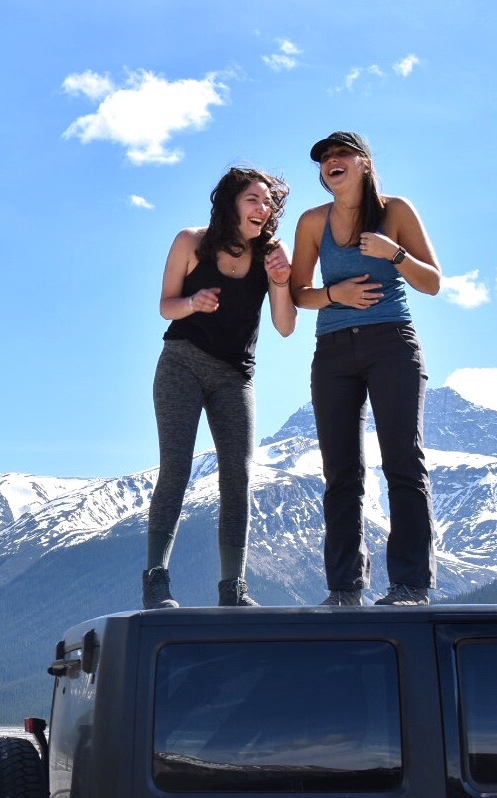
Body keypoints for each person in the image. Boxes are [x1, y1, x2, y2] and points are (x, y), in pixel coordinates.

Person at [289, 131, 441, 606]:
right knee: (341, 471)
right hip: (332, 351)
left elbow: (432, 282)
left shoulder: (396, 211)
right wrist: (337, 295)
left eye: (341, 155)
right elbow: (299, 292)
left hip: (391, 343)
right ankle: (344, 589)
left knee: (403, 460)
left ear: (364, 164)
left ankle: (411, 585)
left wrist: (393, 254)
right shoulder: (313, 221)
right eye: (324, 159)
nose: (331, 162)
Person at [144, 167, 296, 608]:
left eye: (268, 203)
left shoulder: (271, 253)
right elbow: (165, 305)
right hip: (182, 366)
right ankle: (155, 580)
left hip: (235, 376)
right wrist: (192, 303)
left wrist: (282, 283)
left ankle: (233, 589)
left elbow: (285, 327)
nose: (263, 209)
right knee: (176, 467)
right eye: (253, 199)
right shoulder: (191, 241)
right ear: (231, 202)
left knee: (238, 474)